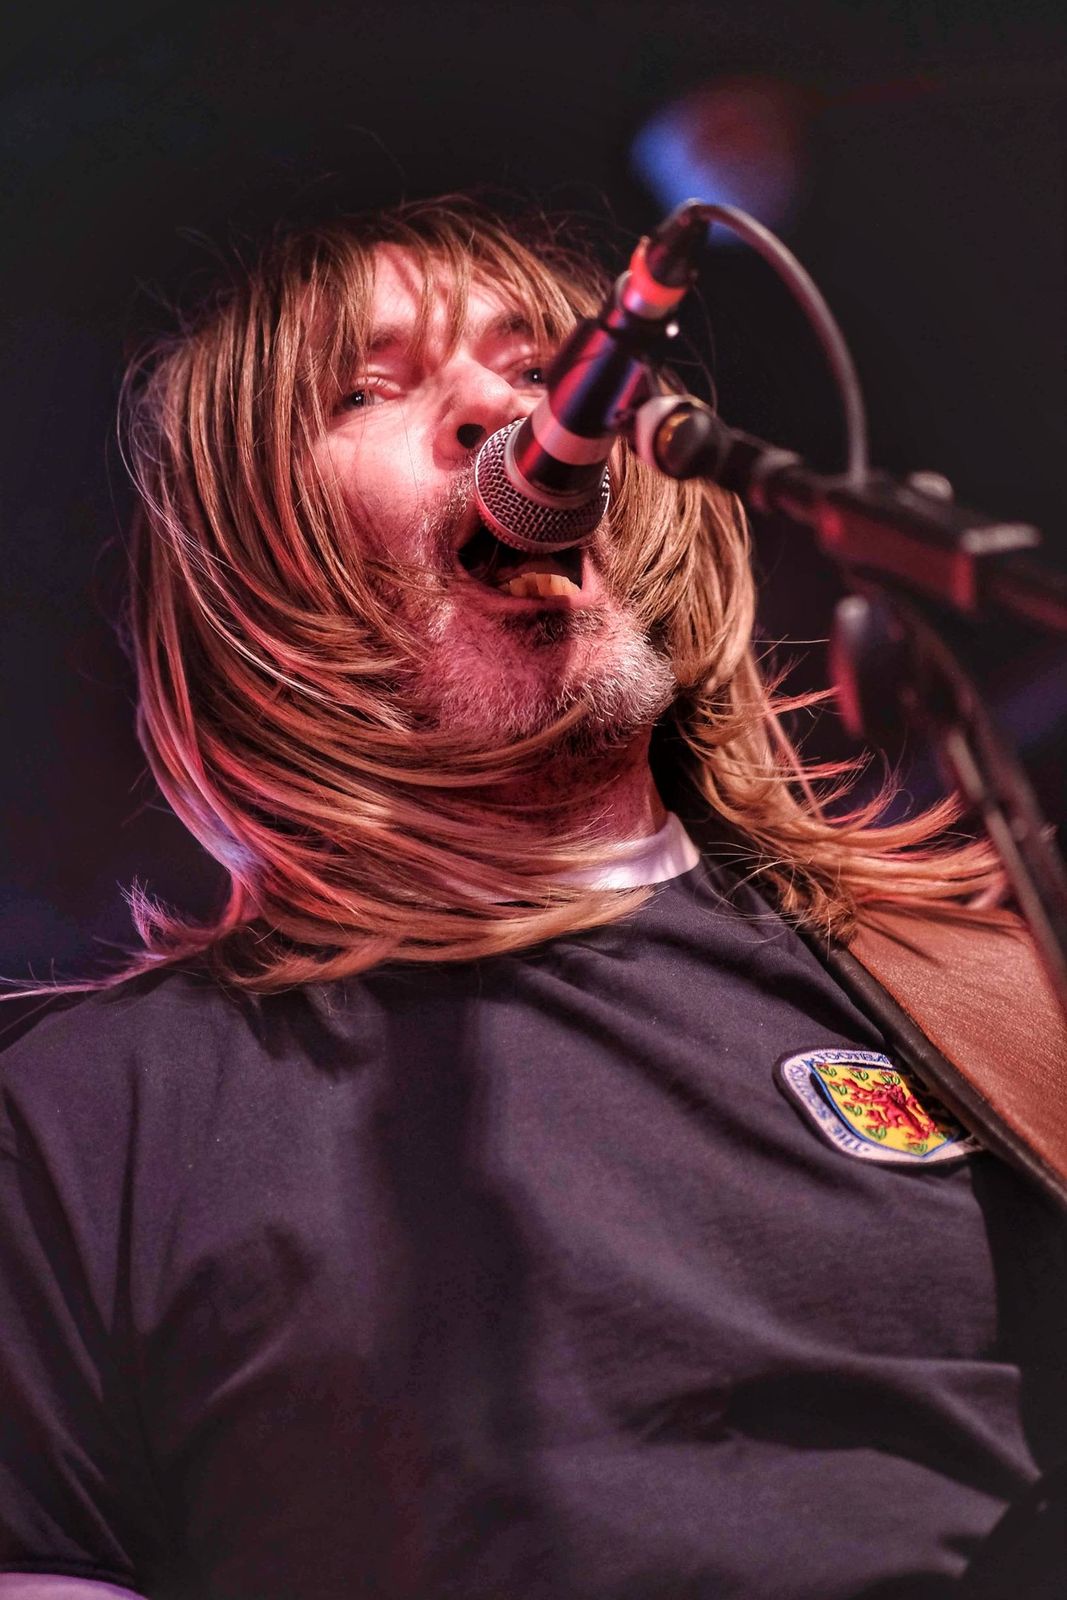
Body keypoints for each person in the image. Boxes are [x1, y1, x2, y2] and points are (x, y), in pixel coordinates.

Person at [1, 198, 1064, 1600]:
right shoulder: (90, 1120)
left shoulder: (988, 988)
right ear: (253, 571)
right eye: (366, 390)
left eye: (533, 366)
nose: (501, 411)